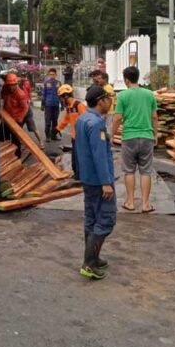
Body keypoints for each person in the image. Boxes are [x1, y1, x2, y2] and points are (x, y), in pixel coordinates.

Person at [75, 86, 116, 280]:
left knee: (91, 219)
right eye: (108, 98)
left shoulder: (82, 119)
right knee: (106, 220)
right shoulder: (96, 124)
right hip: (99, 181)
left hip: (88, 178)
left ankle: (93, 257)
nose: (110, 102)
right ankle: (89, 263)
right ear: (101, 101)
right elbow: (99, 155)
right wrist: (106, 182)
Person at [113, 66, 158, 213]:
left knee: (129, 171)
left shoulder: (122, 96)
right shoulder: (150, 94)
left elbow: (118, 118)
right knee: (146, 171)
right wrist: (155, 135)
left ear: (126, 79)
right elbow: (154, 117)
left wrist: (111, 135)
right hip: (147, 136)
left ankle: (130, 202)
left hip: (129, 137)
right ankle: (145, 204)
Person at [56, 84, 87, 179]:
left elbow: (86, 120)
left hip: (81, 136)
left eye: (61, 97)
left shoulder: (79, 105)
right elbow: (66, 119)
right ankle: (77, 174)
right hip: (74, 136)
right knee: (75, 157)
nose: (61, 100)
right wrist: (57, 129)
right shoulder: (69, 107)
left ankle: (81, 175)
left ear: (65, 96)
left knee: (80, 157)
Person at [1, 73, 37, 153]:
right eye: (9, 85)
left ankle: (17, 156)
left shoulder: (20, 94)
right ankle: (5, 154)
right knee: (2, 135)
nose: (11, 87)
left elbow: (25, 108)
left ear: (16, 84)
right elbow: (2, 97)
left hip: (16, 118)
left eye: (13, 85)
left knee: (15, 139)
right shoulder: (5, 88)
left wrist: (19, 119)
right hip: (7, 117)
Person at [18, 72, 45, 149]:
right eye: (21, 77)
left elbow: (28, 92)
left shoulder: (24, 85)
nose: (22, 78)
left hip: (26, 110)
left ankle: (41, 142)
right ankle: (20, 142)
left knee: (33, 128)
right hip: (21, 111)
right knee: (18, 129)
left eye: (23, 77)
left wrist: (30, 99)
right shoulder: (17, 89)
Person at [89, 70, 116, 135]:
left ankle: (108, 142)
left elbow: (109, 101)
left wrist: (105, 112)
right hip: (106, 112)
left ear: (105, 79)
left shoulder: (108, 88)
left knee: (107, 127)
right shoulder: (104, 87)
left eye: (100, 79)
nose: (99, 80)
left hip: (108, 112)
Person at [41, 68, 61, 142]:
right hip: (48, 104)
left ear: (56, 75)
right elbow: (43, 94)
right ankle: (47, 136)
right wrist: (42, 105)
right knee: (48, 121)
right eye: (50, 74)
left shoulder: (59, 83)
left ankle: (54, 135)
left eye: (53, 74)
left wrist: (62, 104)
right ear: (49, 75)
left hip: (56, 104)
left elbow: (61, 94)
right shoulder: (46, 83)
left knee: (55, 121)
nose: (52, 76)